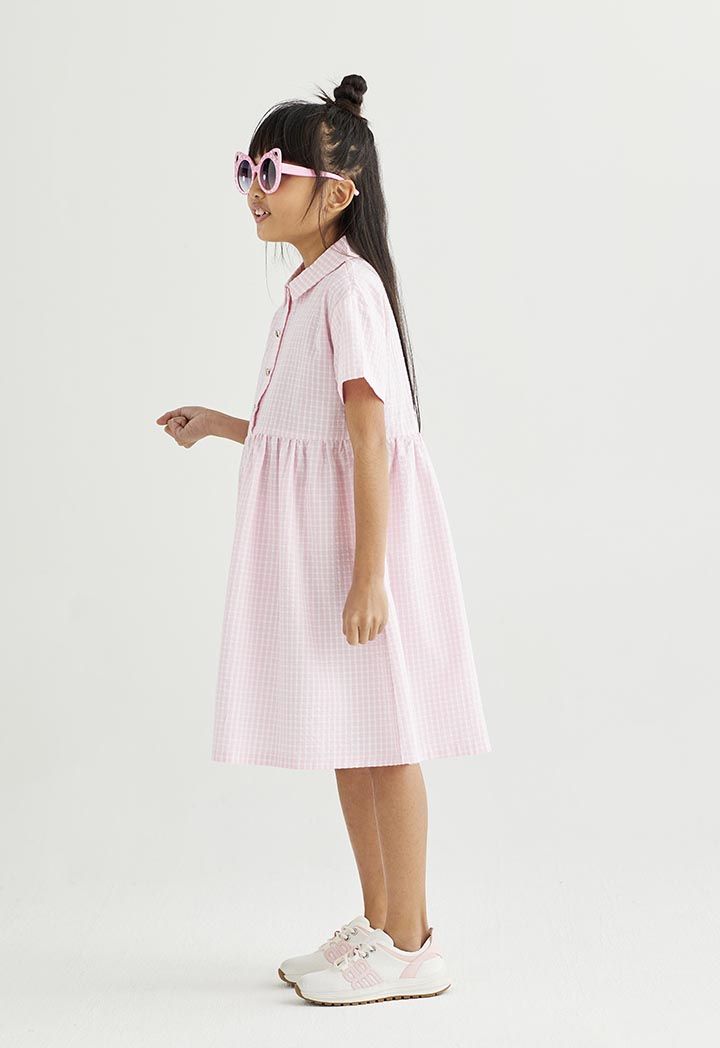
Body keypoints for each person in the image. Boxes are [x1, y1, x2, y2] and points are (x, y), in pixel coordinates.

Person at [156, 73, 492, 1007]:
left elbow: (368, 437)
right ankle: (379, 927)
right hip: (333, 548)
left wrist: (370, 573)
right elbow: (303, 430)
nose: (254, 189)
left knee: (387, 739)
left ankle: (413, 943)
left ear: (336, 193)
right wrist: (221, 425)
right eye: (247, 169)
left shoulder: (350, 293)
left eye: (273, 171)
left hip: (358, 550)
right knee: (354, 732)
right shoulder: (309, 293)